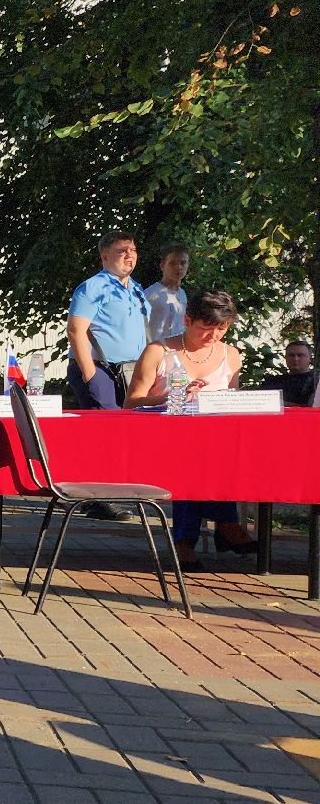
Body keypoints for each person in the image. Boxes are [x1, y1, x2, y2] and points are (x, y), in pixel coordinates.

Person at [123, 290, 255, 568]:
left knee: (212, 454)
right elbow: (131, 403)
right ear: (187, 320)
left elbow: (232, 403)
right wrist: (172, 397)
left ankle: (191, 537)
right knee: (194, 457)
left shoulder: (230, 355)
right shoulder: (159, 351)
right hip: (164, 441)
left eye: (221, 329)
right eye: (206, 328)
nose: (213, 336)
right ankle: (221, 526)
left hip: (215, 443)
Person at [66, 231, 151, 410]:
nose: (130, 255)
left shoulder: (136, 288)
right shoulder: (92, 288)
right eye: (122, 251)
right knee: (107, 425)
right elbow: (75, 330)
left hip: (131, 371)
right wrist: (90, 373)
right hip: (102, 371)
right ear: (105, 256)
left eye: (133, 250)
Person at [145, 243, 190, 344]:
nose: (178, 267)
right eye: (172, 263)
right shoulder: (150, 294)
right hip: (155, 349)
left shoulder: (182, 294)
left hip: (176, 350)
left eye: (183, 263)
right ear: (162, 266)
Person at [260, 340, 315, 407]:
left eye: (300, 355)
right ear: (285, 357)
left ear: (310, 358)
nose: (295, 359)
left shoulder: (316, 382)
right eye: (291, 355)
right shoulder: (273, 382)